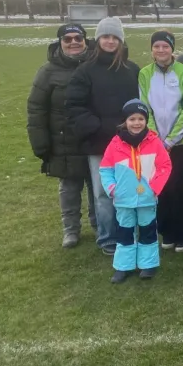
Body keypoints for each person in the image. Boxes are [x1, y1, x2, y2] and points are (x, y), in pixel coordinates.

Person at [65, 17, 140, 256]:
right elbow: (75, 106)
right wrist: (101, 127)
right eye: (105, 37)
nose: (110, 41)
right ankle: (108, 238)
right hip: (99, 143)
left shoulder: (132, 70)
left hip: (129, 142)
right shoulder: (85, 71)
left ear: (121, 41)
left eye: (115, 37)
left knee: (130, 189)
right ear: (97, 40)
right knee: (104, 193)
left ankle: (130, 233)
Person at [27, 24, 96, 249]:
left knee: (97, 186)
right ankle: (71, 229)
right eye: (67, 39)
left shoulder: (96, 65)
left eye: (78, 38)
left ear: (85, 40)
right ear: (60, 42)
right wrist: (40, 143)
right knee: (69, 187)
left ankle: (99, 225)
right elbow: (36, 109)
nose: (73, 42)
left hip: (93, 136)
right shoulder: (47, 72)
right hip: (63, 140)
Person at [99, 99, 171, 283]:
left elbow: (164, 166)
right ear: (125, 121)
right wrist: (113, 189)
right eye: (132, 119)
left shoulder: (154, 142)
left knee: (148, 230)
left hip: (147, 198)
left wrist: (154, 188)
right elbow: (105, 169)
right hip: (123, 199)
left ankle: (148, 264)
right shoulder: (115, 144)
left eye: (141, 119)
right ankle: (123, 266)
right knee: (124, 232)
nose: (136, 123)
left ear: (146, 121)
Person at [138, 31, 183, 252]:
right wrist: (155, 137)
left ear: (172, 49)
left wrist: (171, 140)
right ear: (152, 49)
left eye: (165, 46)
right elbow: (145, 107)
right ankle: (167, 231)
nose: (161, 50)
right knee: (161, 188)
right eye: (157, 46)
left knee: (179, 188)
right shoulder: (145, 73)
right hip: (155, 143)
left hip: (178, 144)